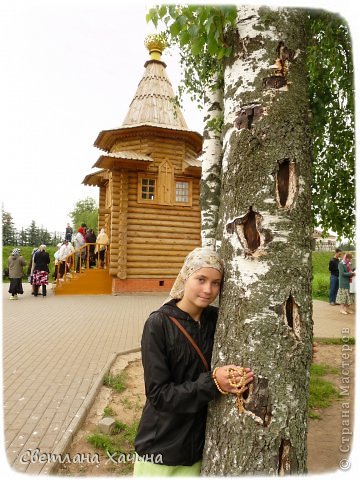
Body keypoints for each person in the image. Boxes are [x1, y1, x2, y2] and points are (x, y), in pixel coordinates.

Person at [133, 247, 254, 476]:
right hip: (161, 449)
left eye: (216, 283)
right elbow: (158, 394)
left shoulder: (217, 319)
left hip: (200, 450)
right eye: (201, 279)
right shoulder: (158, 324)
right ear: (185, 276)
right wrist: (213, 383)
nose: (209, 290)